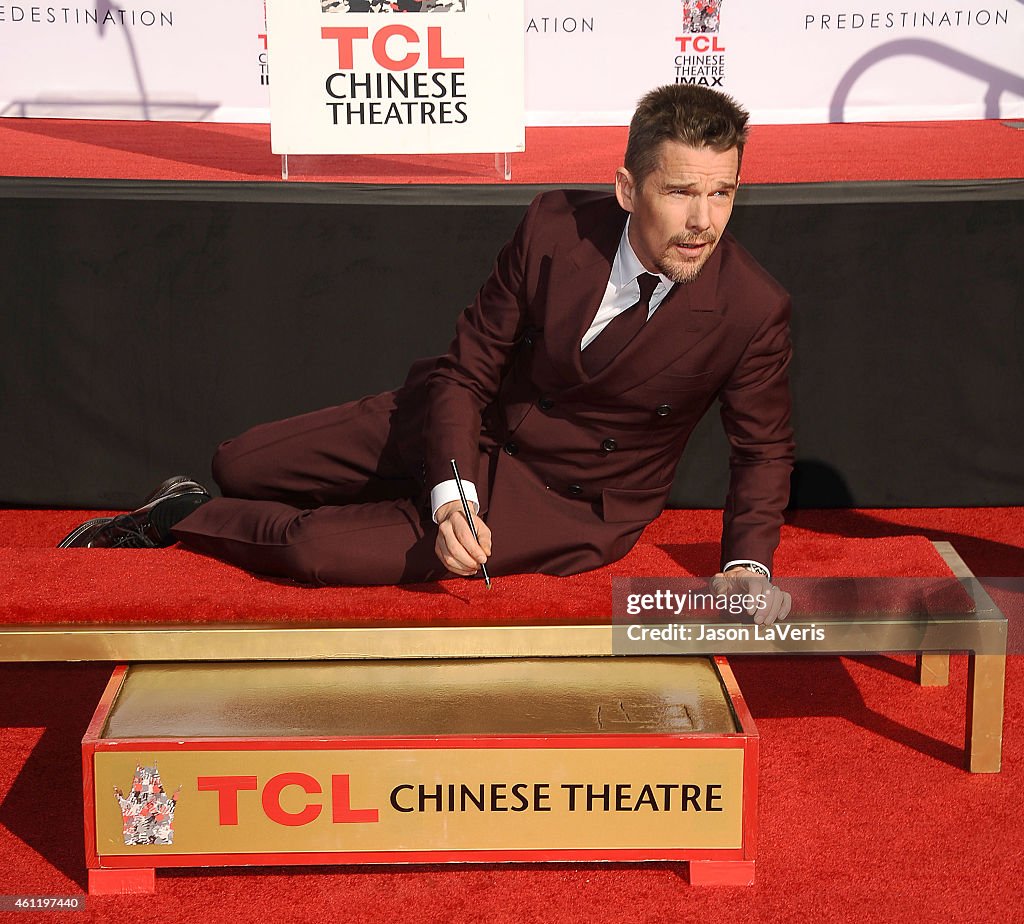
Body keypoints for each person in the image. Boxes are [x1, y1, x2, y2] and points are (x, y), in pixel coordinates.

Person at [60, 84, 794, 624]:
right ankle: (294, 492)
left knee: (314, 550)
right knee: (240, 462)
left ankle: (181, 516)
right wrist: (451, 490)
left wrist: (746, 564)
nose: (704, 222)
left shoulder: (753, 307)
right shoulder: (553, 227)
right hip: (462, 425)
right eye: (681, 193)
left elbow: (761, 451)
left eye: (724, 193)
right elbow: (466, 369)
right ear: (629, 188)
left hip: (562, 499)